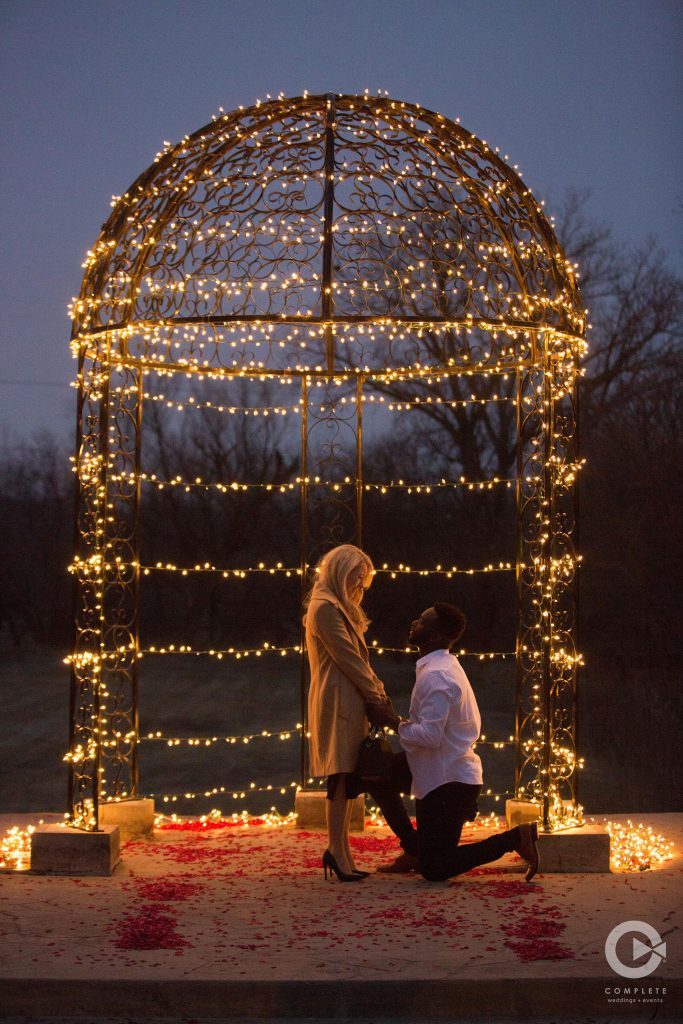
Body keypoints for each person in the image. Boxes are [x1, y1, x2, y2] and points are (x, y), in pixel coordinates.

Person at [366, 602, 539, 882]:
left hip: (448, 783)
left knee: (435, 869)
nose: (414, 622)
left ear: (435, 636)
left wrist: (391, 721)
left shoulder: (438, 676)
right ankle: (415, 848)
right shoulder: (439, 665)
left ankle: (516, 838)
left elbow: (430, 736)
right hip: (433, 768)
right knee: (377, 777)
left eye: (422, 621)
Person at [304, 544, 392, 882]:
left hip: (349, 699)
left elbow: (356, 661)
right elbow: (349, 659)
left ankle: (342, 850)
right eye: (357, 577)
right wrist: (377, 695)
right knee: (339, 776)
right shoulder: (325, 608)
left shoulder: (335, 606)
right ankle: (337, 850)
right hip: (338, 700)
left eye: (363, 581)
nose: (359, 585)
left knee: (347, 777)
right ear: (341, 570)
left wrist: (376, 692)